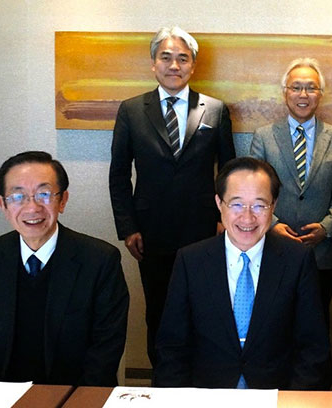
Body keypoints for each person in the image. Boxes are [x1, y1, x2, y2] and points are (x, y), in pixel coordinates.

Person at [109, 26, 235, 365]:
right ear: (153, 63)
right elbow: (119, 174)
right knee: (159, 310)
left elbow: (229, 173)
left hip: (204, 230)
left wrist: (226, 221)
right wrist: (128, 227)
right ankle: (163, 382)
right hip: (151, 232)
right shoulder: (132, 110)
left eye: (183, 58)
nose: (174, 65)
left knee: (205, 307)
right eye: (166, 57)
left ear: (193, 66)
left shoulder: (216, 110)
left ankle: (203, 379)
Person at [153, 157, 331, 389]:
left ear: (274, 205)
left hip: (276, 397)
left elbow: (313, 348)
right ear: (219, 203)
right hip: (207, 397)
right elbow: (171, 348)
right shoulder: (191, 260)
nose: (247, 217)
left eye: (259, 205)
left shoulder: (297, 260)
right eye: (236, 204)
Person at [0, 151, 129, 386]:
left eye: (44, 194)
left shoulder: (100, 260)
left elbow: (104, 354)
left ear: (62, 200)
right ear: (3, 205)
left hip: (73, 397)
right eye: (18, 196)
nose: (32, 208)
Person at [249, 57, 332, 323]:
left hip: (320, 251)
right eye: (296, 87)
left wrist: (327, 228)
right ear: (285, 93)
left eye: (311, 88)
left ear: (320, 94)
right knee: (274, 324)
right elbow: (255, 190)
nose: (303, 94)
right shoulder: (264, 136)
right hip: (273, 247)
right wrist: (272, 225)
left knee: (316, 325)